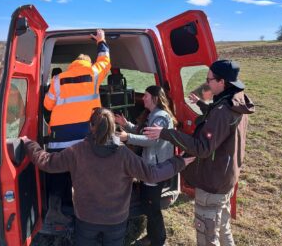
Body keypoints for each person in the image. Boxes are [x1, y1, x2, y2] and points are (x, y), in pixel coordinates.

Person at [21, 108, 195, 246]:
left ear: (90, 127)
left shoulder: (77, 151)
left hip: (86, 218)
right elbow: (152, 174)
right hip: (116, 220)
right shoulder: (124, 155)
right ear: (114, 127)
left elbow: (47, 162)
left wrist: (30, 144)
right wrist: (179, 162)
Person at [144, 60, 255, 246]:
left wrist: (165, 133)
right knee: (222, 229)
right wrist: (203, 106)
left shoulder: (223, 110)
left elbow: (202, 148)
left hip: (212, 183)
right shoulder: (235, 101)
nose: (207, 83)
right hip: (226, 178)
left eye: (209, 79)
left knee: (207, 237)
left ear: (222, 82)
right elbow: (218, 124)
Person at [43, 29, 111, 225]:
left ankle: (55, 210)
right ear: (88, 63)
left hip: (60, 139)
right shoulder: (94, 73)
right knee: (87, 173)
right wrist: (101, 41)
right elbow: (105, 61)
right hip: (86, 138)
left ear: (72, 64)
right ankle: (91, 210)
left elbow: (47, 105)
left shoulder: (58, 80)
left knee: (58, 172)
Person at [115, 85, 177, 246]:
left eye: (147, 96)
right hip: (149, 167)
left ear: (155, 98)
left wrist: (126, 137)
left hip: (156, 169)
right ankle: (152, 236)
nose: (143, 98)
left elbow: (151, 140)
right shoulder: (153, 114)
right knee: (148, 204)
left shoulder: (161, 117)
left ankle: (158, 239)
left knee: (152, 207)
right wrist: (126, 124)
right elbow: (142, 132)